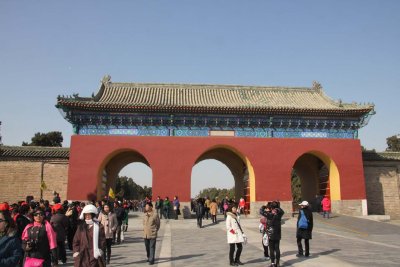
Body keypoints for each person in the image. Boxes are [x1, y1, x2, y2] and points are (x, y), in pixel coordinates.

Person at [260, 201, 284, 267]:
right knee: (277, 248)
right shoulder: (279, 213)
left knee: (271, 249)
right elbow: (282, 211)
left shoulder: (269, 214)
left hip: (271, 233)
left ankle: (273, 263)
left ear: (271, 207)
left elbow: (261, 211)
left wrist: (264, 206)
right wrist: (277, 207)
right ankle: (278, 263)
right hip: (278, 233)